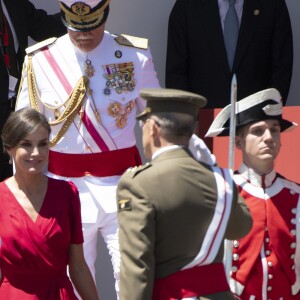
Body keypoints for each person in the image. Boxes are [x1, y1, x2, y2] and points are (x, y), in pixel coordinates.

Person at [15, 0, 161, 296]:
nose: (83, 35)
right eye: (75, 27)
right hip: (62, 187)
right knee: (73, 277)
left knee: (133, 270)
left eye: (91, 26)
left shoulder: (134, 55)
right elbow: (24, 130)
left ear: (104, 14)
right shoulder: (41, 59)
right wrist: (25, 191)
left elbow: (156, 120)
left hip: (123, 183)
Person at [116, 88, 253, 300]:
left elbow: (137, 266)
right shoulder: (219, 180)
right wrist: (215, 168)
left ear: (153, 128)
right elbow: (241, 226)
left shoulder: (138, 183)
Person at [206, 88, 300, 299]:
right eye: (258, 131)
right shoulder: (220, 194)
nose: (268, 137)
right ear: (238, 142)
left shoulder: (296, 195)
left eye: (274, 130)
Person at [0, 108, 99, 299]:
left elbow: (78, 266)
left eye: (43, 144)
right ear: (9, 148)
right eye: (26, 145)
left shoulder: (67, 193)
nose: (36, 153)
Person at [165, 0, 293, 108]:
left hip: (255, 125)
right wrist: (187, 120)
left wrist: (268, 115)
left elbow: (281, 70)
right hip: (203, 124)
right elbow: (176, 74)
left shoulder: (273, 5)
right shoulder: (187, 6)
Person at [0, 0, 66, 182]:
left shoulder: (14, 3)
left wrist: (80, 10)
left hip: (13, 112)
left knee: (10, 182)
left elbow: (44, 27)